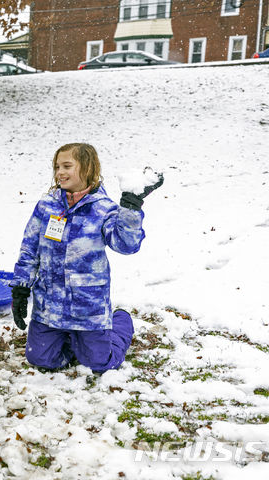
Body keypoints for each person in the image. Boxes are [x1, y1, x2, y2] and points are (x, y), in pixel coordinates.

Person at [11, 143, 162, 373]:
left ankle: (120, 320)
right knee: (40, 358)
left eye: (67, 166)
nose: (60, 172)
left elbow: (126, 245)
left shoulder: (103, 209)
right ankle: (71, 341)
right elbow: (30, 249)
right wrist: (21, 289)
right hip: (50, 307)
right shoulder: (47, 206)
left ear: (88, 168)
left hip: (87, 309)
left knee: (99, 363)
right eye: (57, 166)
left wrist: (131, 207)